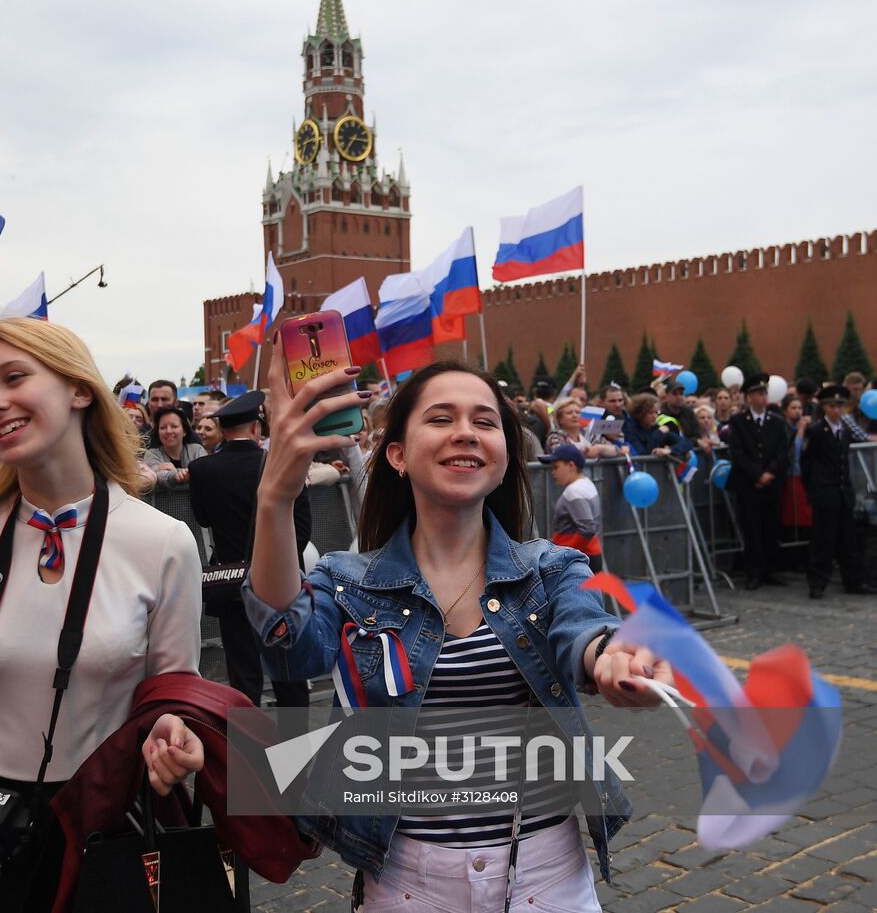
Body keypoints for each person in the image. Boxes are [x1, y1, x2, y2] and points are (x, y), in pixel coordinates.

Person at [246, 356, 668, 911]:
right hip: (406, 879)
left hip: (547, 874)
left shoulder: (552, 568)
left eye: (485, 421)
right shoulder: (348, 579)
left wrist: (611, 654)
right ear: (395, 454)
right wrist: (274, 497)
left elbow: (584, 631)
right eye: (441, 418)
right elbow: (287, 647)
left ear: (503, 458)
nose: (466, 432)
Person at [0, 316, 203, 913]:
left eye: (14, 377)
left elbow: (171, 699)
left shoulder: (164, 542)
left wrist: (173, 740)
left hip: (110, 823)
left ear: (79, 389)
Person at [188, 390, 312, 714]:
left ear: (223, 430)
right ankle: (295, 760)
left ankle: (247, 758)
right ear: (257, 428)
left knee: (243, 679)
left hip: (233, 585)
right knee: (290, 677)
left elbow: (203, 518)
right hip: (282, 589)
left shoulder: (202, 469)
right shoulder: (282, 464)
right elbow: (302, 529)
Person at [800, 385, 871, 598]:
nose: (837, 411)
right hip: (825, 493)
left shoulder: (846, 431)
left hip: (843, 492)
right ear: (824, 407)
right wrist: (813, 490)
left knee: (847, 540)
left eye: (840, 406)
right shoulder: (816, 431)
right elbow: (807, 464)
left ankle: (853, 580)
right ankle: (817, 582)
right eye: (832, 406)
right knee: (823, 540)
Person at [726, 372, 791, 590]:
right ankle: (753, 571)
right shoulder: (738, 422)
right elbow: (738, 452)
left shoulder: (776, 421)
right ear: (749, 397)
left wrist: (770, 473)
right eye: (758, 394)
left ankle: (770, 570)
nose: (763, 397)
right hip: (748, 484)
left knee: (771, 527)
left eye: (765, 393)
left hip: (771, 483)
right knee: (752, 528)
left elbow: (783, 451)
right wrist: (756, 474)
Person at [539, 443, 604, 572]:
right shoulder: (586, 483)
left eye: (556, 467)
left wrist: (564, 552)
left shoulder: (575, 491)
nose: (553, 473)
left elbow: (588, 529)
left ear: (571, 466)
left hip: (578, 559)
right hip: (587, 555)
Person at [142, 407, 207, 488]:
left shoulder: (197, 449)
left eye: (174, 426)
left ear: (184, 431)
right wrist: (176, 475)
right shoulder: (151, 454)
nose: (168, 431)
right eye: (163, 427)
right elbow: (156, 476)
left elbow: (206, 472)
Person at [622, 393, 694, 458]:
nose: (654, 416)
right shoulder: (631, 430)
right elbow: (643, 453)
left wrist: (670, 450)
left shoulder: (656, 428)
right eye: (650, 413)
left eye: (656, 412)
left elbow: (687, 442)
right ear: (640, 413)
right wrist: (658, 434)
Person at [545, 397, 620, 459]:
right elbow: (562, 455)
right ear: (560, 419)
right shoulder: (555, 437)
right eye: (569, 413)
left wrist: (599, 448)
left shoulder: (588, 434)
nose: (575, 415)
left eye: (578, 412)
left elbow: (615, 449)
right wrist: (582, 452)